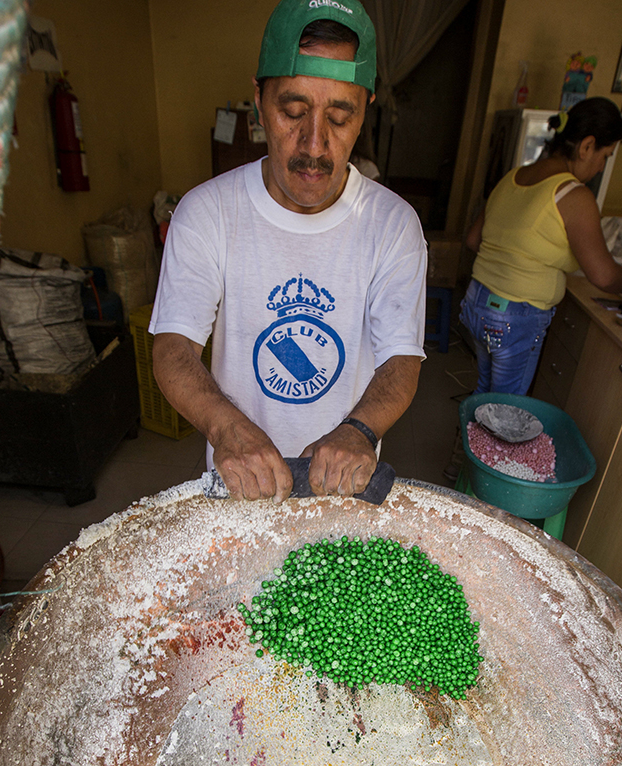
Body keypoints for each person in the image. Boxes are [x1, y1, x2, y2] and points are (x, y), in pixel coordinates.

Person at [150, 0, 427, 503]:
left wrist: (359, 432)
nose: (314, 145)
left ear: (364, 112)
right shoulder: (207, 212)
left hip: (342, 485)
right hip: (240, 482)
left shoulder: (393, 225)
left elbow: (401, 360)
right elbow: (173, 348)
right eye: (293, 112)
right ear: (259, 101)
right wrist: (228, 430)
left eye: (340, 117)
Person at [460, 97, 622, 396]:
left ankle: (467, 442)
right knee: (505, 408)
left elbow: (473, 239)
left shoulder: (512, 177)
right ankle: (483, 443)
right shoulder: (574, 195)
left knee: (486, 391)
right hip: (515, 316)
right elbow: (603, 276)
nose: (601, 167)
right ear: (587, 146)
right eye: (605, 155)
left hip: (477, 302)